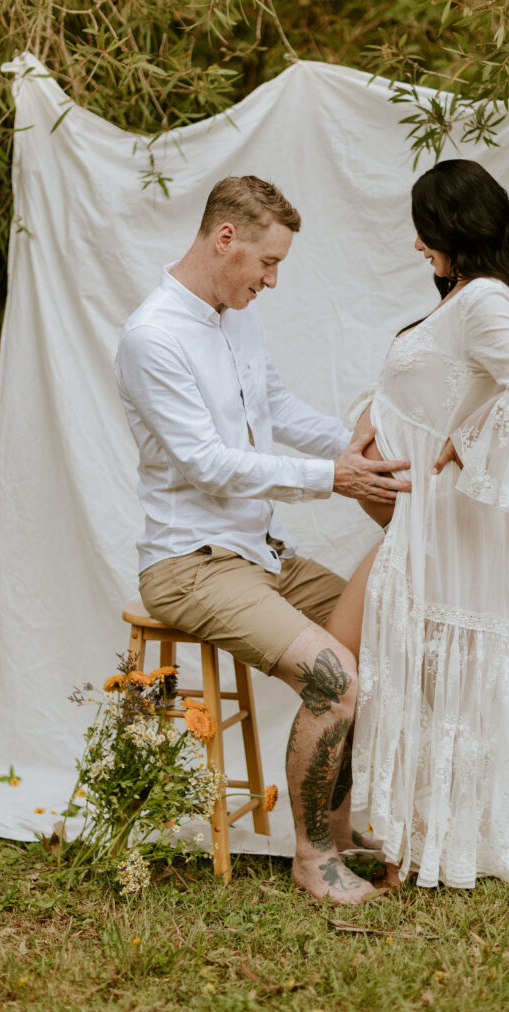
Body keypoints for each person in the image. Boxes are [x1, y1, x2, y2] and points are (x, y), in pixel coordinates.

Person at [114, 175, 411, 903]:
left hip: (261, 553)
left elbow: (273, 405)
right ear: (225, 239)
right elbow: (207, 465)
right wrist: (331, 477)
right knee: (331, 678)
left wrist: (357, 444)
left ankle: (340, 838)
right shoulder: (152, 337)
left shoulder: (235, 313)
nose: (272, 281)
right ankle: (311, 860)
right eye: (267, 262)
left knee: (384, 631)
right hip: (191, 567)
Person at [326, 159, 509, 888]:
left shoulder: (483, 297)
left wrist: (467, 439)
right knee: (388, 673)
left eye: (423, 229)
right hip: (419, 527)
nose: (416, 245)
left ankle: (394, 848)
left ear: (448, 227)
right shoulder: (462, 298)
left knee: (357, 665)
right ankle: (389, 842)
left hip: (440, 528)